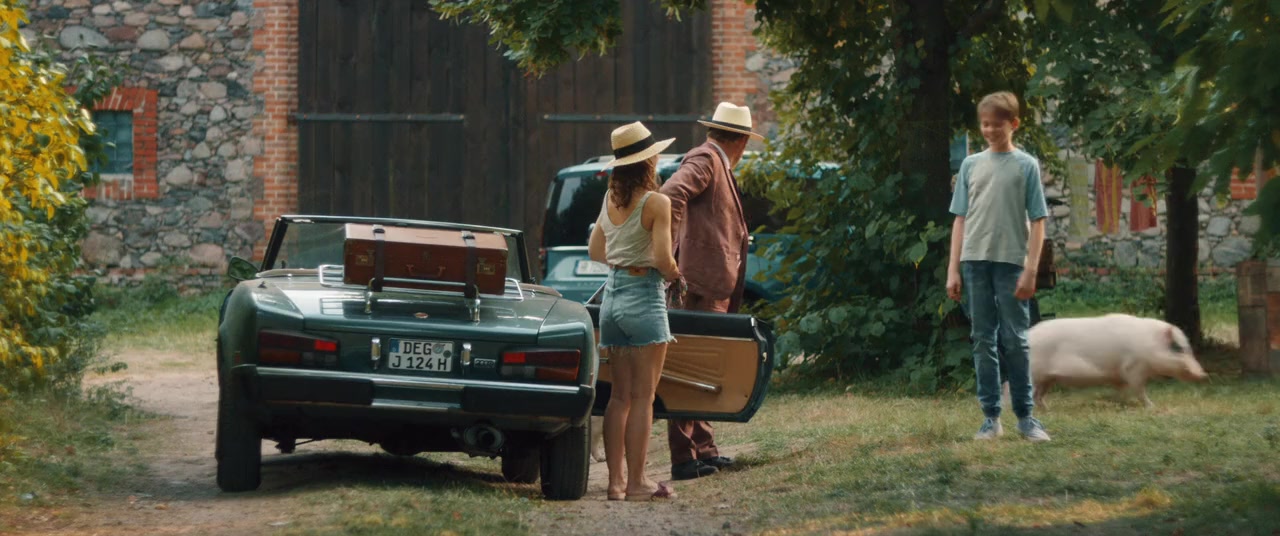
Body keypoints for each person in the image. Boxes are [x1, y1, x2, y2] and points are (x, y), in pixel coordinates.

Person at [658, 102, 764, 480]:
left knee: (705, 369)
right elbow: (670, 195)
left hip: (709, 284)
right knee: (690, 368)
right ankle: (684, 458)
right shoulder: (706, 158)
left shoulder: (716, 160)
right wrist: (670, 255)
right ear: (742, 141)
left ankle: (703, 449)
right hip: (696, 285)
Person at [946, 91, 1051, 442]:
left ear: (1014, 124)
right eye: (985, 124)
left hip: (1011, 265)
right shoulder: (971, 165)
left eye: (997, 124)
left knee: (1016, 340)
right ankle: (991, 417)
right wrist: (953, 269)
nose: (989, 130)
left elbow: (1038, 220)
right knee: (982, 340)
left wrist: (1031, 270)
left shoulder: (1026, 165)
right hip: (974, 262)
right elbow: (960, 219)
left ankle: (1026, 417)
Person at [588, 121, 682, 501]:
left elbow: (595, 250)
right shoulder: (657, 202)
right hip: (644, 298)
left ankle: (615, 483)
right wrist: (676, 274)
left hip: (611, 300)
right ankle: (639, 483)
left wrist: (622, 260)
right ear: (648, 161)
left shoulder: (609, 200)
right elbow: (662, 258)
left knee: (619, 397)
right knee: (644, 396)